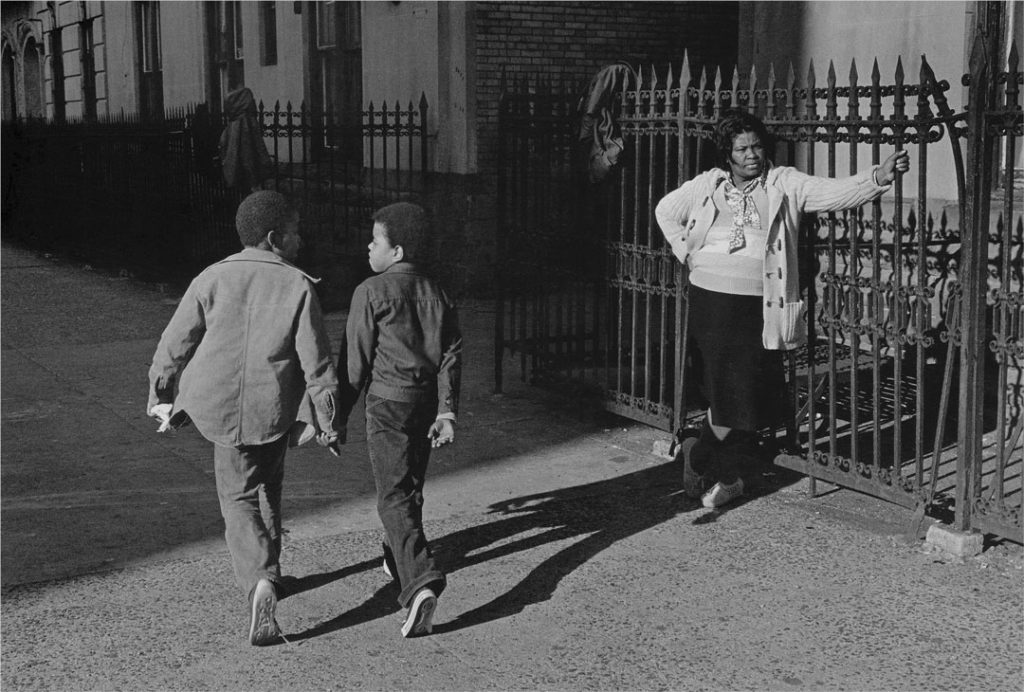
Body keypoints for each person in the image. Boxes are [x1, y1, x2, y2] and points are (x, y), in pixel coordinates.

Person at [655, 109, 909, 509]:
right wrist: (687, 251)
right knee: (721, 395)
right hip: (709, 300)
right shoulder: (709, 185)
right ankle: (727, 476)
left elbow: (832, 191)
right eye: (742, 148)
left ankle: (697, 454)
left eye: (757, 145)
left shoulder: (784, 183)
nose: (752, 154)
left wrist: (875, 178)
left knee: (746, 396)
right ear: (728, 154)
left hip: (758, 306)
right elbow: (665, 211)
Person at [147, 190, 342, 645]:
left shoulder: (212, 278)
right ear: (275, 237)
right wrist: (329, 420)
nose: (300, 239)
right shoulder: (297, 285)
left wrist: (161, 391)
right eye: (294, 230)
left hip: (220, 407)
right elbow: (318, 362)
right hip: (273, 407)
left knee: (236, 497)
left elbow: (175, 341)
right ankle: (269, 571)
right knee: (267, 486)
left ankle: (259, 579)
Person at [337, 202, 462, 638]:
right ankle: (397, 554)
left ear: (397, 251)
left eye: (376, 241)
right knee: (409, 485)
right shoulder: (439, 291)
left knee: (392, 494)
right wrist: (447, 409)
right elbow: (451, 354)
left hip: (387, 404)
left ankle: (421, 580)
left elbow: (354, 364)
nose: (368, 246)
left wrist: (336, 418)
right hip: (425, 404)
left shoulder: (369, 292)